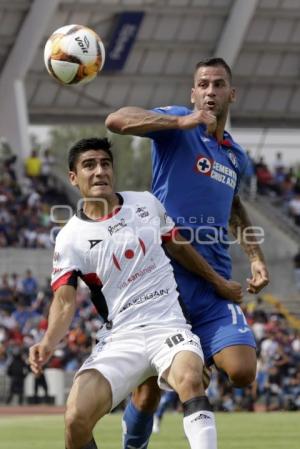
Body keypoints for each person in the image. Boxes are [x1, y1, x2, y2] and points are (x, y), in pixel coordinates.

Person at [29, 137, 243, 449]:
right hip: (119, 339)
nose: (100, 170)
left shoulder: (145, 203)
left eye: (105, 163)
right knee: (76, 418)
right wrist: (47, 341)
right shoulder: (69, 239)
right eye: (89, 165)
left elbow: (181, 248)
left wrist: (218, 282)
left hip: (168, 326)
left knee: (190, 380)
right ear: (73, 178)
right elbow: (63, 303)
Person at [105, 57, 270, 449]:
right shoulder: (179, 124)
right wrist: (179, 122)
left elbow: (233, 207)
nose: (210, 91)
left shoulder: (235, 155)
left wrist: (257, 257)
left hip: (214, 280)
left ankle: (195, 360)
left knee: (244, 370)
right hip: (164, 281)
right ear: (192, 93)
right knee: (145, 395)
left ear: (232, 93)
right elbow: (117, 120)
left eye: (218, 84)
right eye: (203, 84)